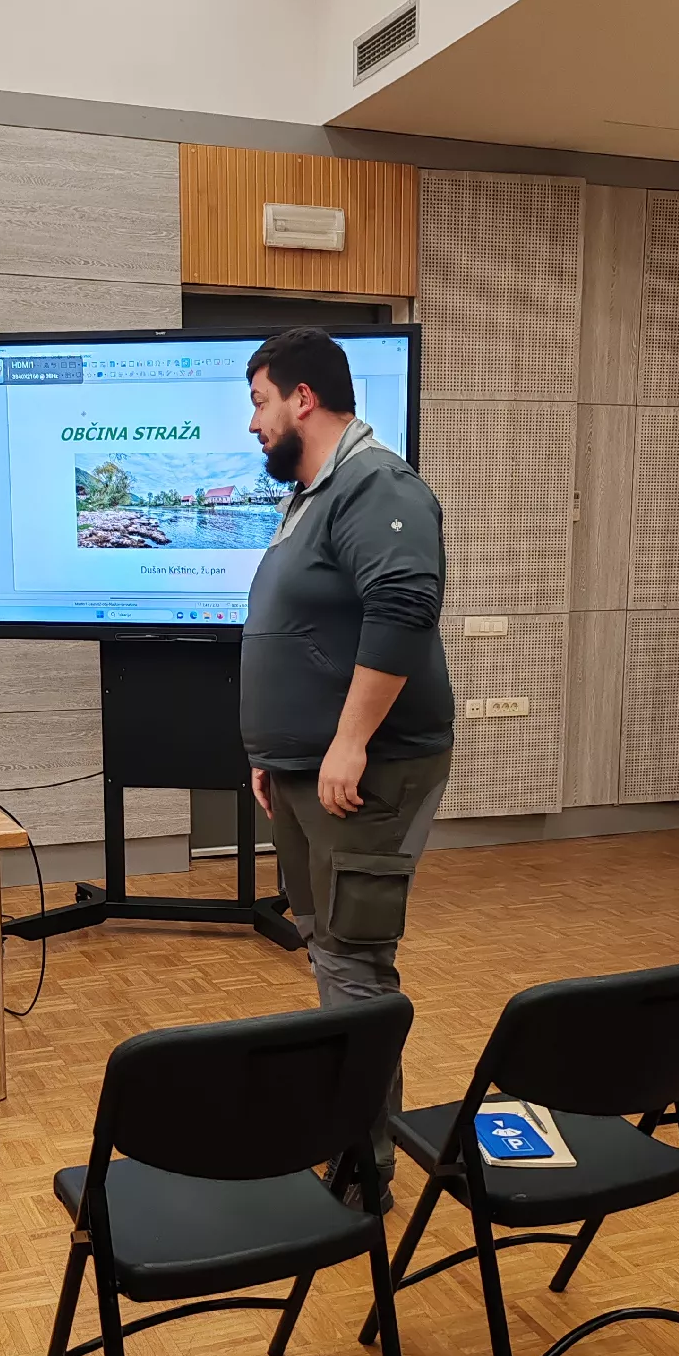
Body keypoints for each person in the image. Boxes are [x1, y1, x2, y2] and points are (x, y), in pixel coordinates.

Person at [241, 328, 455, 1210]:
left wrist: (348, 741)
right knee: (328, 949)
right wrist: (276, 754)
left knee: (356, 960)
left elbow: (403, 606)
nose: (253, 423)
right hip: (306, 770)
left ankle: (367, 1170)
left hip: (369, 768)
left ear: (304, 399)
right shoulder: (312, 493)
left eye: (260, 401)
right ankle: (346, 1132)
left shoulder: (377, 484)